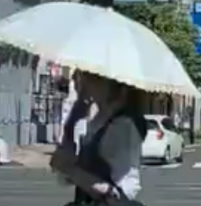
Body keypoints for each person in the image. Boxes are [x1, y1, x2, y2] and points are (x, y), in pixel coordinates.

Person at [50, 71, 148, 204]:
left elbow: (121, 191)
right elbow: (66, 176)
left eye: (90, 77)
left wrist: (70, 170)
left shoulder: (122, 125)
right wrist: (74, 116)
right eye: (80, 75)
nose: (81, 81)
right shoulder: (97, 118)